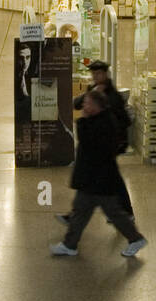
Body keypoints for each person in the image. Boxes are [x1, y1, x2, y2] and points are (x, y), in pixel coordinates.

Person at [50, 89, 147, 258]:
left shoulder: (102, 123)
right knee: (81, 211)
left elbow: (89, 143)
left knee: (112, 213)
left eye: (87, 103)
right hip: (93, 179)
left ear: (96, 106)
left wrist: (82, 121)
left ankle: (136, 238)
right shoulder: (100, 119)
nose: (84, 106)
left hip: (100, 180)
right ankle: (69, 244)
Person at [61, 60, 135, 224]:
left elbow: (125, 120)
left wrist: (115, 137)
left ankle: (123, 214)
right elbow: (77, 104)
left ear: (105, 74)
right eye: (93, 74)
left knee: (110, 179)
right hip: (94, 144)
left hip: (108, 144)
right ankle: (77, 214)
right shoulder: (93, 90)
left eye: (98, 73)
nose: (95, 76)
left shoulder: (113, 96)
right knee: (99, 177)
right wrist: (91, 93)